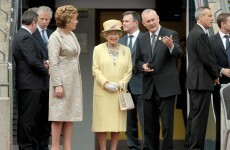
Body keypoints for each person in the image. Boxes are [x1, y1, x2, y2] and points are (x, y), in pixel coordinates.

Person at [135, 9, 182, 150]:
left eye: (153, 19)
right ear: (143, 23)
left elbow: (179, 53)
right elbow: (136, 62)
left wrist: (170, 46)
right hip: (148, 88)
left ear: (158, 18)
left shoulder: (170, 33)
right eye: (148, 21)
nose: (151, 23)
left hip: (166, 87)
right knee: (149, 126)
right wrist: (142, 66)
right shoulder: (141, 38)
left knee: (167, 126)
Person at [92, 19, 132, 150]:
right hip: (103, 91)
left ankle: (113, 148)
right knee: (102, 123)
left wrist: (121, 83)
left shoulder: (126, 50)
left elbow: (129, 70)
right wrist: (106, 84)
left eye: (116, 33)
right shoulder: (98, 49)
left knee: (117, 124)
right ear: (106, 35)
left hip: (118, 91)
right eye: (110, 33)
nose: (113, 36)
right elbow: (95, 69)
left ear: (120, 35)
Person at [48, 5, 83, 150]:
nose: (77, 22)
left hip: (73, 82)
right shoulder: (55, 37)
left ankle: (68, 148)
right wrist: (57, 85)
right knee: (58, 117)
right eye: (75, 19)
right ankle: (55, 148)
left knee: (70, 117)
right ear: (67, 20)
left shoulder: (72, 35)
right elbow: (53, 62)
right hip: (61, 82)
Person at [13, 10, 48, 150]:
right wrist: (47, 70)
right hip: (30, 84)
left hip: (28, 83)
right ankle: (26, 146)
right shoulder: (26, 36)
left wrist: (42, 63)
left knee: (28, 118)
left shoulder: (21, 35)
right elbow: (32, 61)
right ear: (33, 23)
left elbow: (32, 59)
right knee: (28, 119)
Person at [185, 6, 219, 150]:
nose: (212, 19)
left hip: (196, 81)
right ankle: (196, 147)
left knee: (194, 116)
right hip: (201, 82)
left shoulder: (195, 32)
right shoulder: (200, 34)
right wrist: (215, 75)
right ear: (200, 18)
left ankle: (189, 146)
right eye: (209, 16)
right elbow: (207, 59)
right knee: (199, 118)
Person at [119, 11, 146, 150]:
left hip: (142, 84)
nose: (123, 23)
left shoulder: (146, 38)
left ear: (136, 22)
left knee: (145, 119)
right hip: (125, 87)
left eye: (126, 21)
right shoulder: (120, 41)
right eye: (123, 21)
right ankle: (132, 146)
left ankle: (147, 146)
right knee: (129, 121)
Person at [32, 6, 53, 150]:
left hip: (50, 82)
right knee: (35, 117)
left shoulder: (53, 33)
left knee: (47, 117)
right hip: (36, 80)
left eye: (47, 19)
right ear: (36, 18)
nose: (44, 21)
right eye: (42, 19)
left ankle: (44, 145)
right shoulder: (31, 34)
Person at [210, 13, 230, 150]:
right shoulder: (211, 40)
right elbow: (208, 61)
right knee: (221, 120)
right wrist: (221, 70)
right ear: (222, 24)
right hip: (219, 84)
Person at [176, 37, 187, 127]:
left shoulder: (189, 57)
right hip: (182, 87)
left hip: (188, 86)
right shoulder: (181, 56)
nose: (182, 48)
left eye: (184, 45)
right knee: (184, 109)